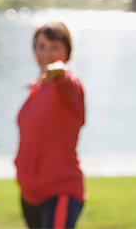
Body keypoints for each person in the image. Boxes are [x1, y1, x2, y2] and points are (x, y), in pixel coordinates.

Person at [14, 22, 85, 229]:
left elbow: (66, 82)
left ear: (67, 52)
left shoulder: (70, 86)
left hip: (59, 192)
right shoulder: (39, 86)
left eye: (55, 48)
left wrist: (61, 70)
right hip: (30, 193)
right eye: (42, 46)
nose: (47, 54)